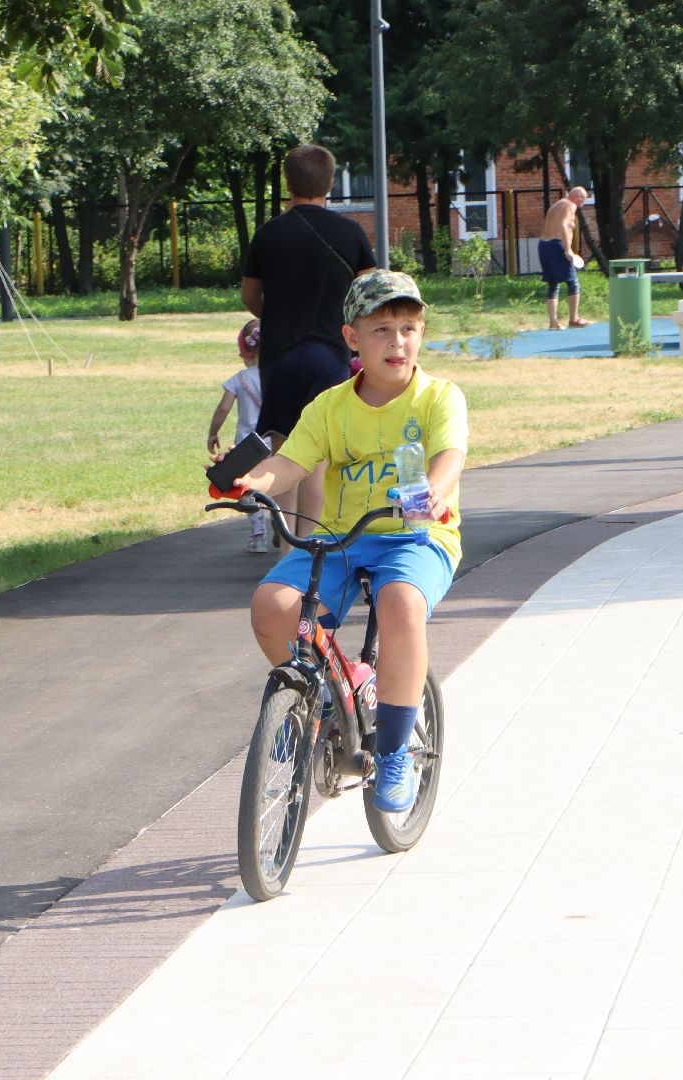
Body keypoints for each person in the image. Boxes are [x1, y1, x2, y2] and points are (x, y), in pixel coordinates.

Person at [220, 270, 466, 813]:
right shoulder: (331, 406)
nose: (397, 341)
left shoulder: (438, 397)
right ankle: (327, 702)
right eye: (381, 329)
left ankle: (396, 750)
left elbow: (449, 457)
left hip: (416, 536)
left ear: (421, 334)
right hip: (342, 539)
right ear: (351, 338)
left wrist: (431, 492)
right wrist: (250, 483)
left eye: (407, 327)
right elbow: (289, 462)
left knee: (400, 602)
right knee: (273, 605)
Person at [241, 144, 378, 541]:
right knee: (318, 455)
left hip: (281, 353)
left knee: (284, 451)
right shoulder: (349, 232)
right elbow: (368, 293)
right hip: (329, 352)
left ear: (288, 182)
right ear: (331, 183)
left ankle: (285, 547)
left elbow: (250, 298)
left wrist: (281, 315)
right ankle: (311, 542)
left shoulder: (269, 233)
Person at [207, 319, 269, 552]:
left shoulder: (239, 379)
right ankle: (285, 532)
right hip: (274, 438)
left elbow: (223, 409)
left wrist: (213, 432)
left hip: (247, 444)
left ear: (245, 350)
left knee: (246, 487)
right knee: (279, 487)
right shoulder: (276, 376)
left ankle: (258, 534)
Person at [537, 186, 592, 329]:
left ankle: (553, 322)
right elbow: (563, 225)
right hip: (556, 244)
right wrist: (568, 249)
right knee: (573, 282)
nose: (583, 204)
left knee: (553, 284)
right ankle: (574, 319)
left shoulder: (557, 204)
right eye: (583, 201)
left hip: (544, 244)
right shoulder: (570, 205)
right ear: (579, 198)